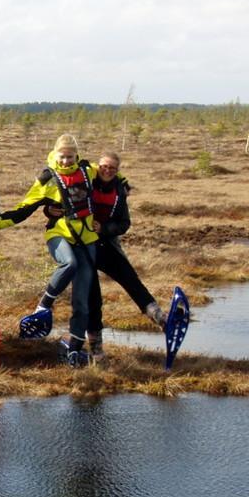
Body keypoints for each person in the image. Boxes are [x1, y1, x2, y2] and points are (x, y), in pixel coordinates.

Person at [0, 133, 98, 366]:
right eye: (62, 157)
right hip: (58, 235)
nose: (66, 161)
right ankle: (44, 304)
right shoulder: (47, 179)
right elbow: (24, 208)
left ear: (77, 155)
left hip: (88, 239)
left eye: (70, 157)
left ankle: (74, 349)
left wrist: (122, 183)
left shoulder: (87, 171)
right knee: (69, 263)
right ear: (55, 154)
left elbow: (109, 175)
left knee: (82, 301)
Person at [85, 151, 165, 360]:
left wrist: (104, 228)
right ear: (97, 166)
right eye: (104, 166)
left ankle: (159, 316)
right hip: (82, 247)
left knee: (131, 279)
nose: (107, 170)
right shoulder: (86, 181)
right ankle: (96, 348)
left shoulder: (120, 191)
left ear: (117, 171)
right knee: (93, 298)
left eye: (112, 168)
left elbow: (124, 223)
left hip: (105, 244)